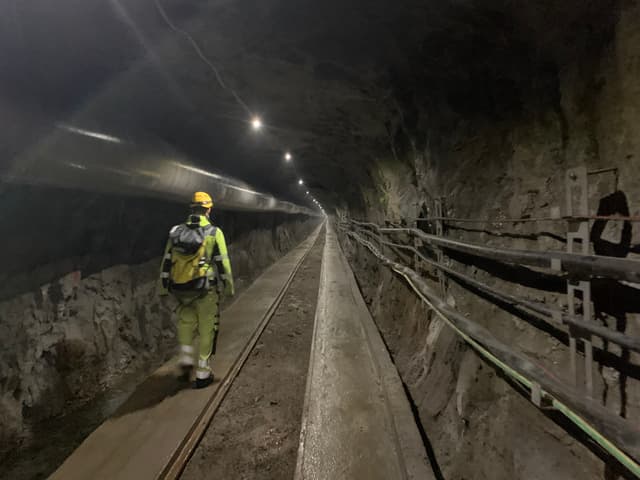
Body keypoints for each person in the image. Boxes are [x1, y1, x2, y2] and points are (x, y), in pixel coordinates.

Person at [159, 192, 234, 388]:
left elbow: (167, 260)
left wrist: (163, 286)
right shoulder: (213, 232)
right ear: (208, 209)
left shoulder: (175, 231)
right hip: (204, 289)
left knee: (186, 322)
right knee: (207, 327)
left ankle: (185, 360)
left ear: (191, 209)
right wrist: (228, 287)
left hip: (181, 288)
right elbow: (222, 263)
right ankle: (202, 373)